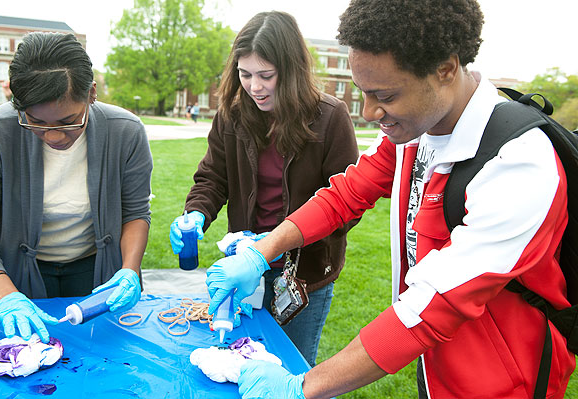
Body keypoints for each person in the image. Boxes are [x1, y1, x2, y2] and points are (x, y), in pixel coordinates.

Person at [206, 1, 576, 398]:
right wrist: (261, 252)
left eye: (385, 94)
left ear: (446, 70)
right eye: (363, 92)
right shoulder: (417, 130)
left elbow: (436, 305)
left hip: (501, 381)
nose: (367, 112)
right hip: (433, 360)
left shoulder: (519, 164)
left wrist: (304, 386)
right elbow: (343, 195)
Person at [169, 11, 359, 366]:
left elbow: (347, 206)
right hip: (243, 267)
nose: (254, 86)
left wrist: (277, 242)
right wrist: (196, 213)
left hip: (303, 277)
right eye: (245, 74)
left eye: (265, 76)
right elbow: (213, 176)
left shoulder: (330, 117)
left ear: (291, 71)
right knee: (239, 361)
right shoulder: (233, 113)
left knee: (290, 370)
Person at [0, 32, 153, 344]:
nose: (54, 137)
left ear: (91, 93)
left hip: (96, 272)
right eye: (36, 123)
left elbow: (135, 212)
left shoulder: (126, 131)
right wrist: (6, 296)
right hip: (15, 274)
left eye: (69, 121)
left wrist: (129, 270)